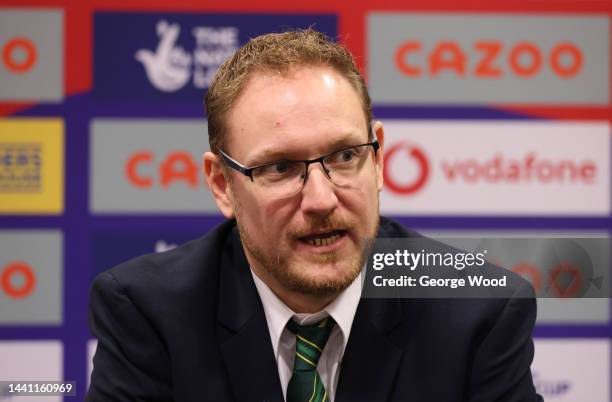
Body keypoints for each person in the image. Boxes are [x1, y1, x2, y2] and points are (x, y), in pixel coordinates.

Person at [86, 29, 543, 402]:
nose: (321, 199)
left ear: (379, 160)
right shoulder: (149, 312)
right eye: (280, 167)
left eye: (345, 156)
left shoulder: (476, 312)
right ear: (223, 185)